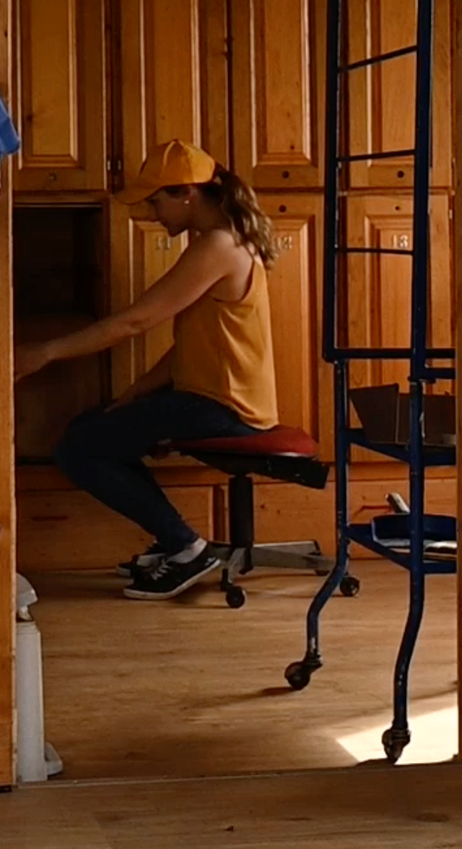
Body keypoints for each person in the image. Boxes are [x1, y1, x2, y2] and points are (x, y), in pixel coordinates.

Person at [15, 139, 280, 600]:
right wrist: (136, 393)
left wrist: (46, 352)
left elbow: (136, 320)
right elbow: (193, 347)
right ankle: (178, 545)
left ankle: (187, 548)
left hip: (223, 407)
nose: (154, 213)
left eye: (157, 200)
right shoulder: (224, 239)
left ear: (187, 194)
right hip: (210, 397)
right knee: (90, 427)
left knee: (78, 447)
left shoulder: (218, 246)